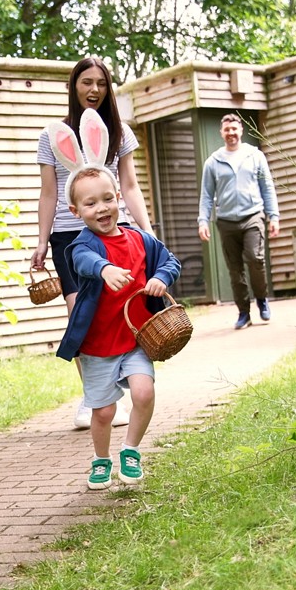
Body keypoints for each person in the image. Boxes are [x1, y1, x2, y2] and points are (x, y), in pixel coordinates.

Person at [48, 109, 181, 490]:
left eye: (107, 199)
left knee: (144, 391)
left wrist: (159, 277)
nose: (101, 208)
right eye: (90, 204)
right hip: (98, 346)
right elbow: (83, 261)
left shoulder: (140, 238)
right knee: (103, 412)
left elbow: (169, 259)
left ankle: (132, 450)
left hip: (135, 338)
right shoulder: (82, 244)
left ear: (118, 197)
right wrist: (105, 270)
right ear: (76, 211)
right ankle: (101, 459)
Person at [31, 56, 154, 429]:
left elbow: (129, 186)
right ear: (74, 86)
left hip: (115, 233)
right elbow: (49, 193)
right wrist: (41, 241)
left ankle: (123, 381)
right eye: (86, 82)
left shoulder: (120, 133)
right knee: (79, 311)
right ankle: (92, 399)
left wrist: (147, 232)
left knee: (117, 310)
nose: (94, 89)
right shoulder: (52, 136)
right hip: (69, 237)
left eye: (101, 82)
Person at [196, 113, 280, 330]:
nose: (231, 133)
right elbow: (206, 195)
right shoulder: (213, 162)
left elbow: (267, 187)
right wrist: (203, 220)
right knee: (235, 270)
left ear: (241, 131)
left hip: (253, 215)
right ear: (221, 132)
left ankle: (261, 299)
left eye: (234, 129)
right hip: (226, 221)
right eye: (227, 130)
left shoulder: (255, 156)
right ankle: (244, 313)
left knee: (254, 258)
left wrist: (274, 216)